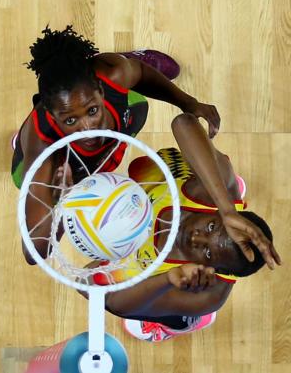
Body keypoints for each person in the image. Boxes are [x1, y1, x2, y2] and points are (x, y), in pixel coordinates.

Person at [11, 25, 220, 264]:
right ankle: (21, 141)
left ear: (100, 91)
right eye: (70, 120)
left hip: (106, 144)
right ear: (50, 114)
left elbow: (142, 73)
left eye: (92, 111)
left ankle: (130, 55)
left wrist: (188, 102)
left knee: (138, 103)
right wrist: (66, 199)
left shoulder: (114, 74)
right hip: (68, 171)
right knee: (22, 180)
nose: (88, 128)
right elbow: (34, 252)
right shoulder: (43, 155)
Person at [81, 113, 281, 342]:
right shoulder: (209, 198)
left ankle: (177, 325)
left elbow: (102, 296)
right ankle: (218, 181)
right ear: (216, 212)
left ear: (214, 270)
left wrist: (167, 281)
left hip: (160, 273)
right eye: (212, 226)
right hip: (167, 182)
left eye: (206, 253)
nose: (196, 238)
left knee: (162, 307)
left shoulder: (209, 295)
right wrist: (225, 205)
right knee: (161, 166)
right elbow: (183, 123)